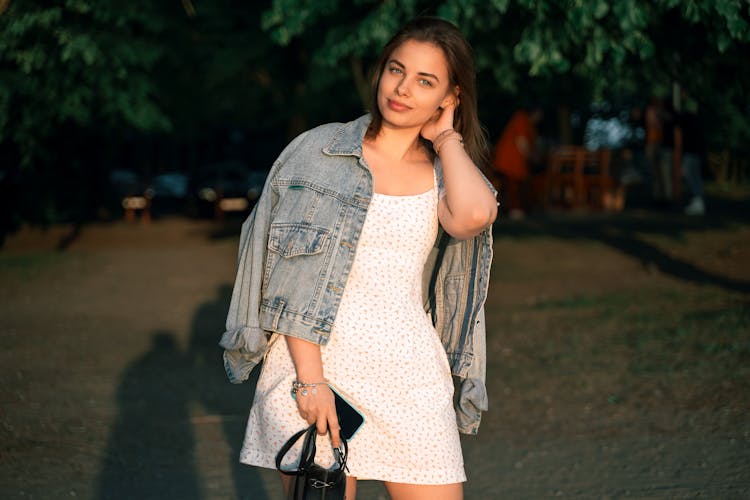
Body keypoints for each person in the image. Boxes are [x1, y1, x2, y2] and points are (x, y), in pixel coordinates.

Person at [219, 17, 498, 500]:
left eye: (425, 82)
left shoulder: (441, 173)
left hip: (409, 371)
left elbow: (475, 214)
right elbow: (288, 278)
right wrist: (310, 383)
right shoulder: (318, 152)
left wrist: (447, 138)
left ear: (449, 97)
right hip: (315, 365)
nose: (403, 89)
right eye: (396, 70)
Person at [491, 107, 543, 219]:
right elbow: (522, 142)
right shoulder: (521, 119)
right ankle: (513, 209)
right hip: (510, 159)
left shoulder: (527, 123)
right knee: (514, 183)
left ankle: (514, 209)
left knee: (516, 183)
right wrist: (531, 156)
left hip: (514, 158)